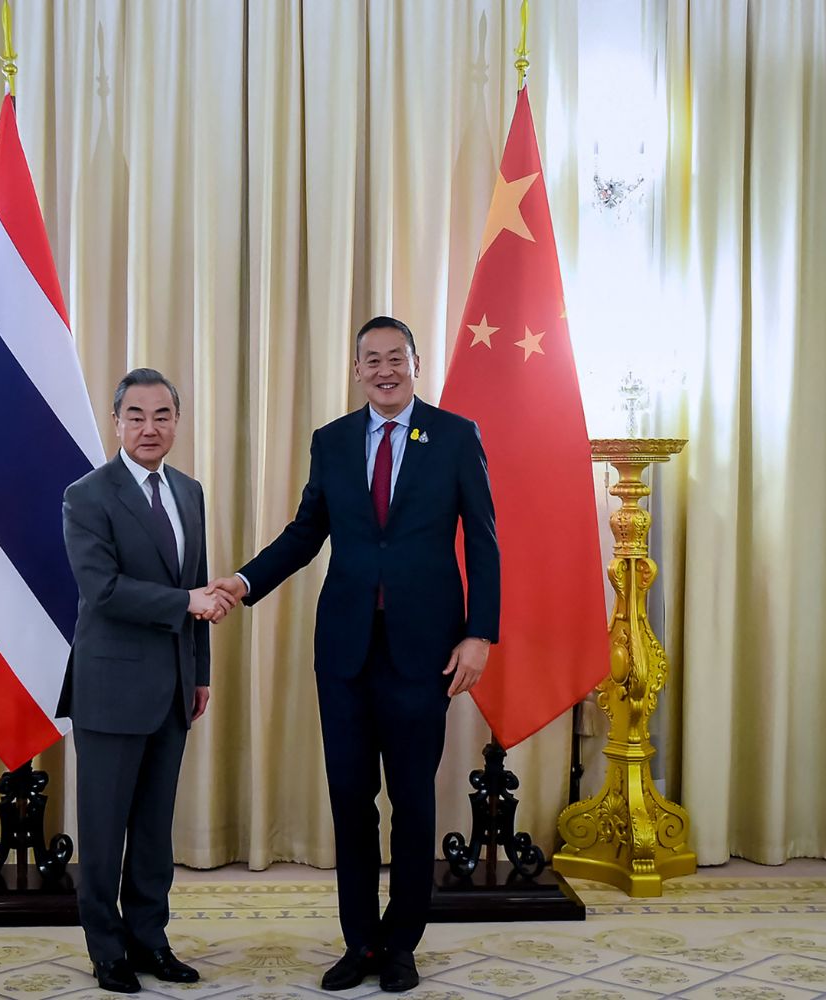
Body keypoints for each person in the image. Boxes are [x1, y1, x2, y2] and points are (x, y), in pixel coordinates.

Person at [208, 316, 500, 993]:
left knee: (413, 801)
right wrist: (245, 580)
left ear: (415, 364)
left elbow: (483, 541)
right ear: (357, 370)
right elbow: (307, 532)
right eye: (372, 360)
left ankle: (402, 945)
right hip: (344, 652)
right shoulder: (333, 441)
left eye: (396, 357)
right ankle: (360, 943)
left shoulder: (455, 436)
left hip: (425, 651)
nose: (385, 369)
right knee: (349, 801)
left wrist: (480, 633)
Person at [58, 368, 230, 995]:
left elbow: (202, 584)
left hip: (175, 689)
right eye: (136, 416)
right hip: (110, 690)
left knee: (155, 832)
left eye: (162, 416)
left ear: (177, 423)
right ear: (117, 421)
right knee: (104, 831)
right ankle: (106, 950)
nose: (149, 428)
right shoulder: (88, 494)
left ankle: (150, 939)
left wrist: (201, 671)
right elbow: (101, 590)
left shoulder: (190, 491)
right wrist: (185, 604)